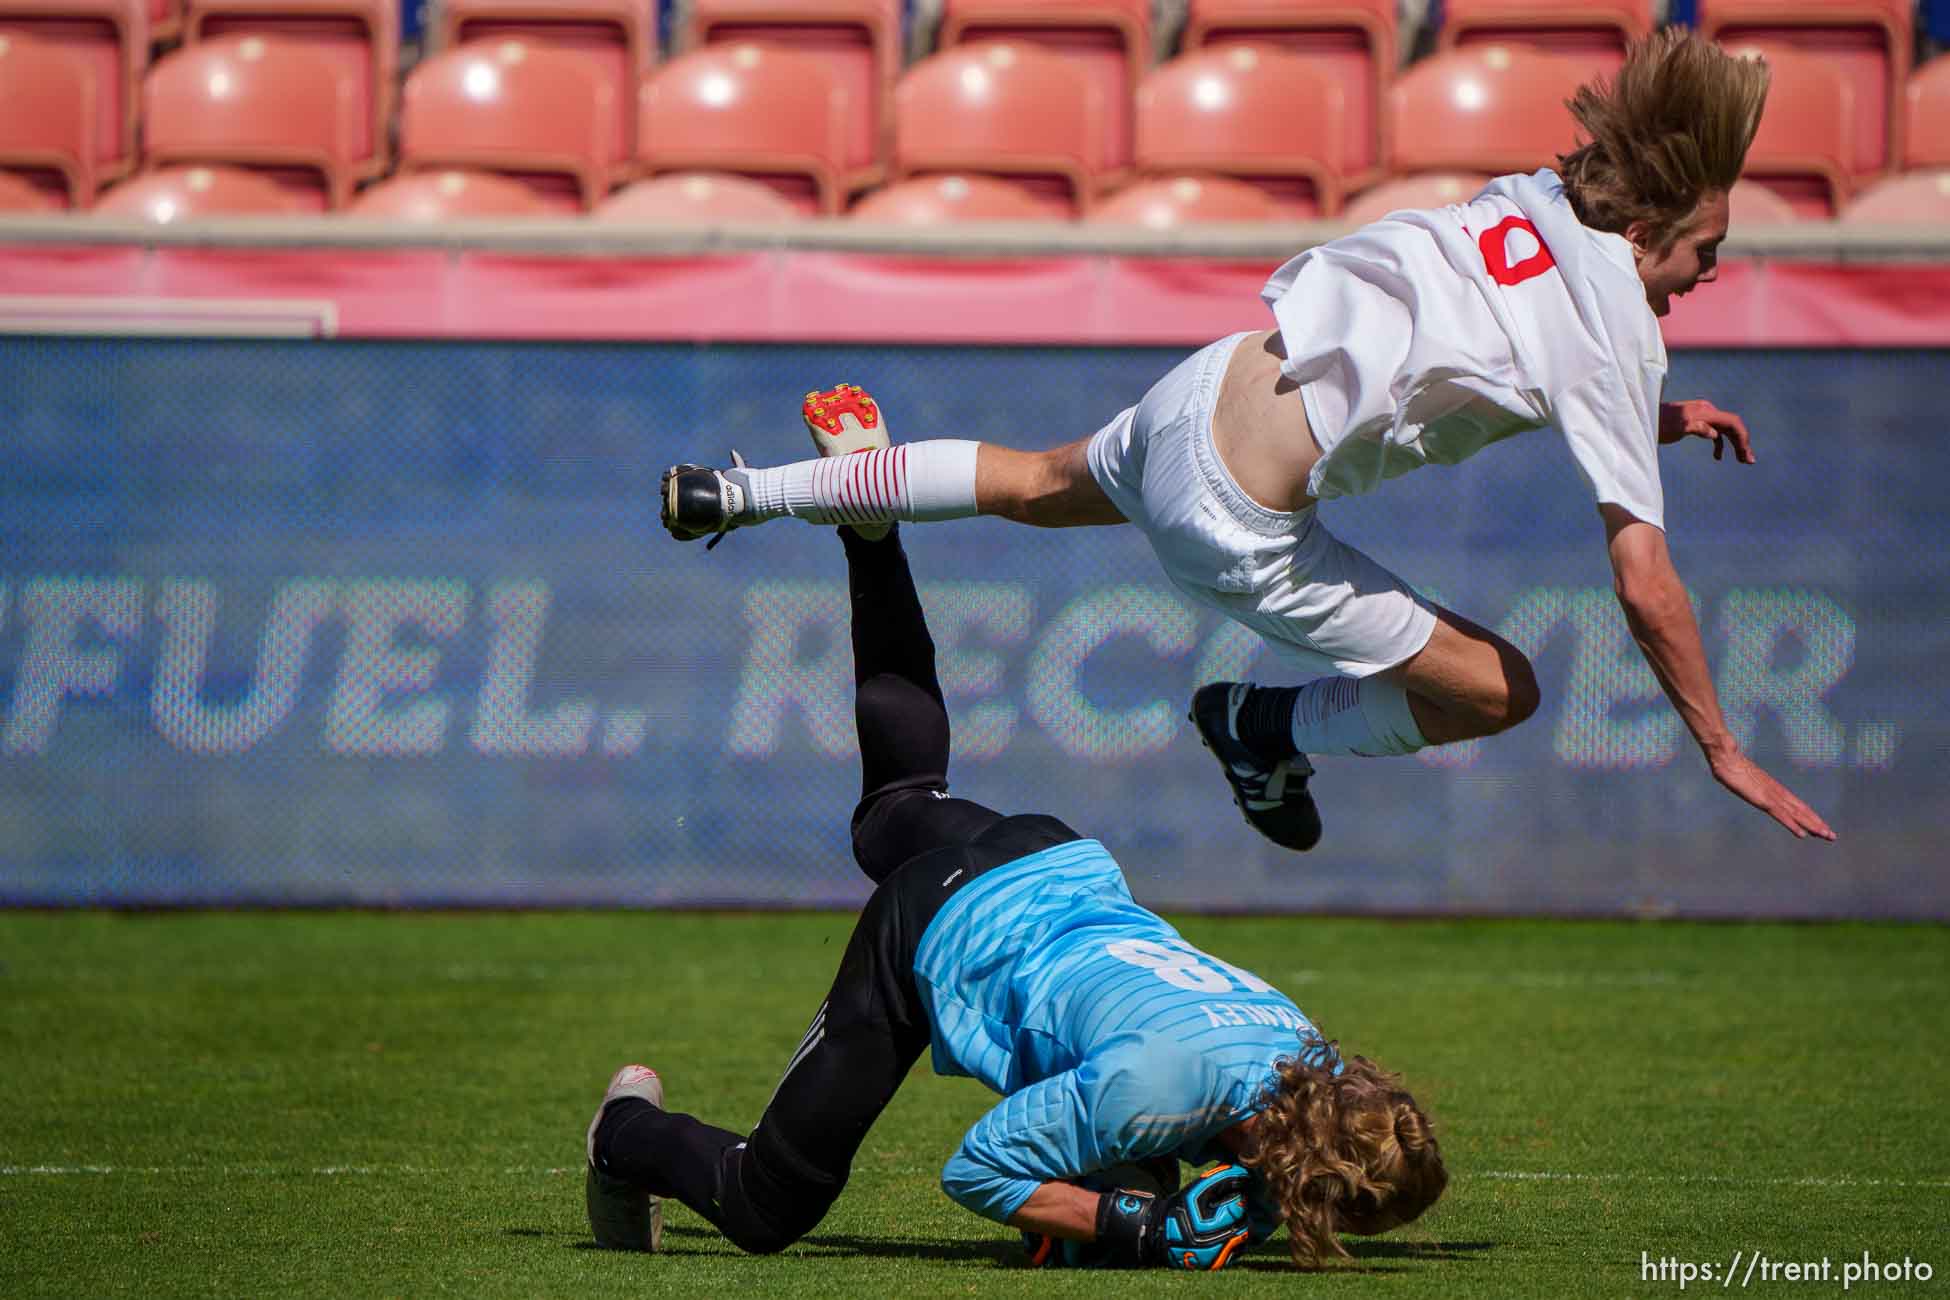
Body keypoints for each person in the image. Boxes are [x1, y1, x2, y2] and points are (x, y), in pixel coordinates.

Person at [658, 30, 1836, 853]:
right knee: (1502, 690)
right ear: (1640, 232)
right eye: (1704, 249)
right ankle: (1258, 724)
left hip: (1208, 385)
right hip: (1237, 517)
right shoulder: (1621, 324)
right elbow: (1645, 582)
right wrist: (1721, 745)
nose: (1711, 271)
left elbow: (1503, 340)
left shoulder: (1533, 194)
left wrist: (1657, 418)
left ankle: (741, 490)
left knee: (1028, 480)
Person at [589, 407, 1447, 1271]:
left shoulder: (1306, 1051)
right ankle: (623, 1131)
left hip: (1054, 859)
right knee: (767, 1202)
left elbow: (1210, 1119)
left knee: (898, 803)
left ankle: (871, 529)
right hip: (943, 922)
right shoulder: (1156, 1093)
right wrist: (1138, 1229)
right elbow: (978, 1170)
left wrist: (1216, 1191)